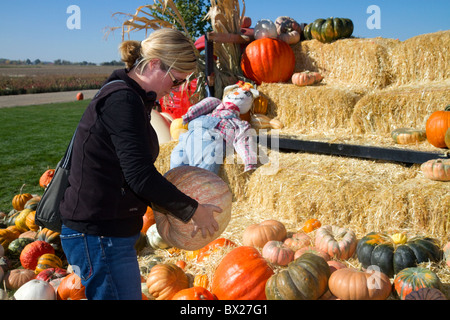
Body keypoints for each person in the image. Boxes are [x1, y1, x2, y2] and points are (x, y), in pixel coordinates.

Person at [59, 28, 221, 300]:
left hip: (108, 231)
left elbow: (130, 170)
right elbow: (140, 176)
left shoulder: (133, 98)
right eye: (177, 80)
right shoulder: (123, 101)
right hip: (99, 232)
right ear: (155, 64)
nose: (178, 88)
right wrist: (192, 210)